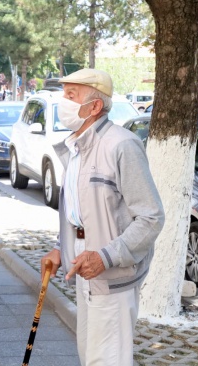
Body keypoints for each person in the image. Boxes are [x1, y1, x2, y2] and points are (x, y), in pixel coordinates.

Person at [40, 68, 165, 366]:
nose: (63, 102)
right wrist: (61, 248)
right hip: (84, 269)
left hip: (112, 276)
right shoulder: (77, 146)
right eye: (64, 94)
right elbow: (80, 212)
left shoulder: (121, 144)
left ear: (95, 106)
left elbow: (151, 217)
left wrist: (105, 257)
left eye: (71, 96)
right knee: (91, 355)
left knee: (108, 360)